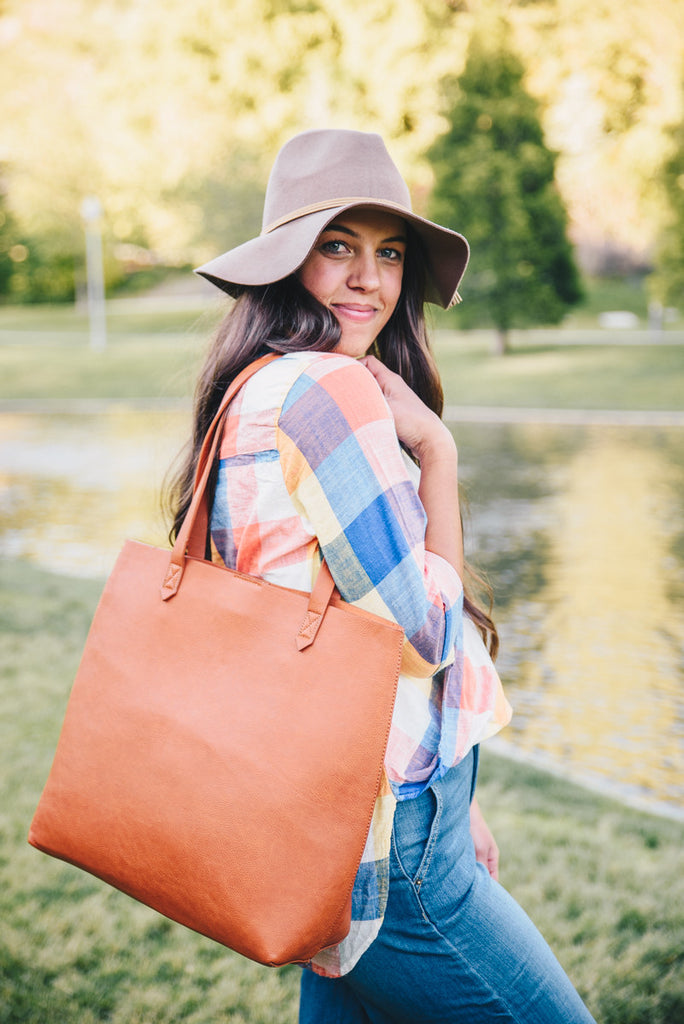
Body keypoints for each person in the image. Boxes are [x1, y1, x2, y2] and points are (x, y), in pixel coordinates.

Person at [167, 129, 596, 1023]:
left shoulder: (251, 387)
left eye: (388, 253)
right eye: (337, 247)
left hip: (321, 816)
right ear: (287, 263)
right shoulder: (328, 392)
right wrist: (435, 451)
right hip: (381, 840)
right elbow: (420, 631)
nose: (370, 277)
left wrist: (448, 799)